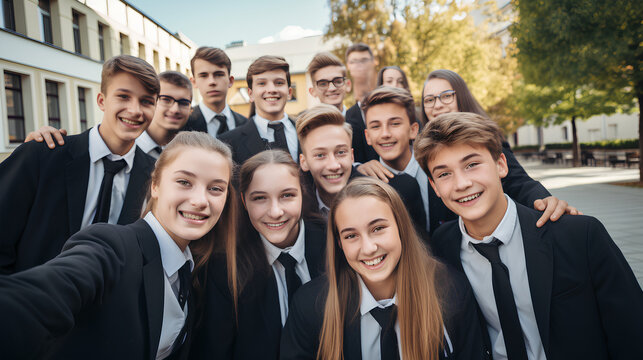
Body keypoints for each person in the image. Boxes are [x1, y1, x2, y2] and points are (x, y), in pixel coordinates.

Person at [416, 112, 643, 360]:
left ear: (501, 165)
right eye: (444, 174)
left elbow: (631, 333)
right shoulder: (442, 246)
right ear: (435, 186)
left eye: (472, 164)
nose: (461, 183)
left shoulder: (579, 236)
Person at [0, 131, 238, 360]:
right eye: (184, 182)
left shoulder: (194, 264)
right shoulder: (113, 246)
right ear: (155, 185)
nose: (200, 201)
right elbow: (46, 294)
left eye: (216, 188)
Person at [280, 177, 485, 359]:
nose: (369, 248)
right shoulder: (311, 306)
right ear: (340, 243)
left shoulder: (452, 292)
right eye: (351, 236)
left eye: (378, 228)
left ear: (400, 227)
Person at [0, 55, 158, 274]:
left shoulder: (155, 176)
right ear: (102, 101)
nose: (135, 110)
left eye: (146, 101)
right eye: (123, 96)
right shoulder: (43, 154)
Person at [190, 150, 325, 360]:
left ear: (302, 193)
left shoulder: (333, 245)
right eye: (260, 198)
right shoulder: (224, 268)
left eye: (287, 195)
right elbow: (215, 350)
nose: (275, 212)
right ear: (244, 201)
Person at [297, 104, 425, 231]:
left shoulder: (395, 193)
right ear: (304, 162)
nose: (334, 165)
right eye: (320, 155)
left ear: (352, 156)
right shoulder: (296, 207)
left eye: (341, 152)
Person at [25, 70, 194, 160]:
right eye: (166, 99)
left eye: (183, 102)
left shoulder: (189, 152)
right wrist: (34, 150)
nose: (175, 109)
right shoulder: (52, 150)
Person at [220, 56, 298, 164]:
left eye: (279, 83)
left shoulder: (306, 131)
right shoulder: (227, 143)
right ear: (250, 94)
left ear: (289, 92)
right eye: (262, 83)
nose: (271, 90)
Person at [184, 46, 248, 137]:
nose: (212, 82)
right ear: (194, 82)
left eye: (219, 74)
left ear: (230, 81)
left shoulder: (246, 125)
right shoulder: (183, 124)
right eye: (203, 76)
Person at [345, 43, 379, 163]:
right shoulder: (347, 116)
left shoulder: (389, 105)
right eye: (354, 61)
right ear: (348, 66)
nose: (359, 65)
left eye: (364, 60)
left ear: (374, 62)